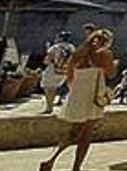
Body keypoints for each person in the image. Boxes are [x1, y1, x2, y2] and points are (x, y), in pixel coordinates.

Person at [38, 29, 117, 171]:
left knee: (73, 132)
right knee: (86, 135)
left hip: (77, 93)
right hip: (93, 95)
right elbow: (111, 74)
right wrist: (114, 65)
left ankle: (51, 159)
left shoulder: (79, 54)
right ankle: (76, 167)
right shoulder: (105, 54)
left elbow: (69, 76)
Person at [41, 31, 75, 114]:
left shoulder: (54, 47)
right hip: (64, 71)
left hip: (53, 69)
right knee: (54, 88)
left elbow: (47, 60)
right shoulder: (72, 47)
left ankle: (49, 107)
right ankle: (52, 105)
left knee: (47, 87)